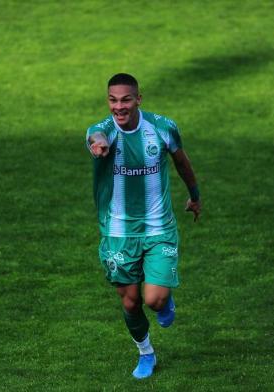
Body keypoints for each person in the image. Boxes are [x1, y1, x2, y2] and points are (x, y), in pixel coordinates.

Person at [86, 73, 201, 379]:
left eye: (125, 99)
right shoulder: (102, 131)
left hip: (158, 227)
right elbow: (95, 138)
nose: (118, 106)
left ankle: (163, 299)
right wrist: (98, 146)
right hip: (118, 233)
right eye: (112, 100)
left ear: (138, 99)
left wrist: (195, 195)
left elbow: (181, 162)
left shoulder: (162, 127)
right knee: (131, 299)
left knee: (154, 299)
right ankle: (146, 353)